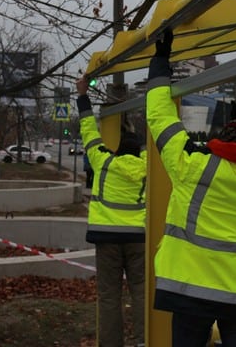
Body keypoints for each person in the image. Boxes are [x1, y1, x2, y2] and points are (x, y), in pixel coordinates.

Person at [145, 28, 236, 347]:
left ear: (220, 142)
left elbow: (159, 117)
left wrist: (160, 64)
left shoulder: (192, 166)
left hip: (190, 291)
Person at [76, 75, 147, 347]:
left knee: (109, 296)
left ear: (117, 151)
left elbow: (88, 130)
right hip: (137, 239)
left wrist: (83, 97)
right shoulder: (146, 169)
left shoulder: (103, 162)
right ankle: (142, 341)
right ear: (139, 153)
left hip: (106, 238)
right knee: (140, 292)